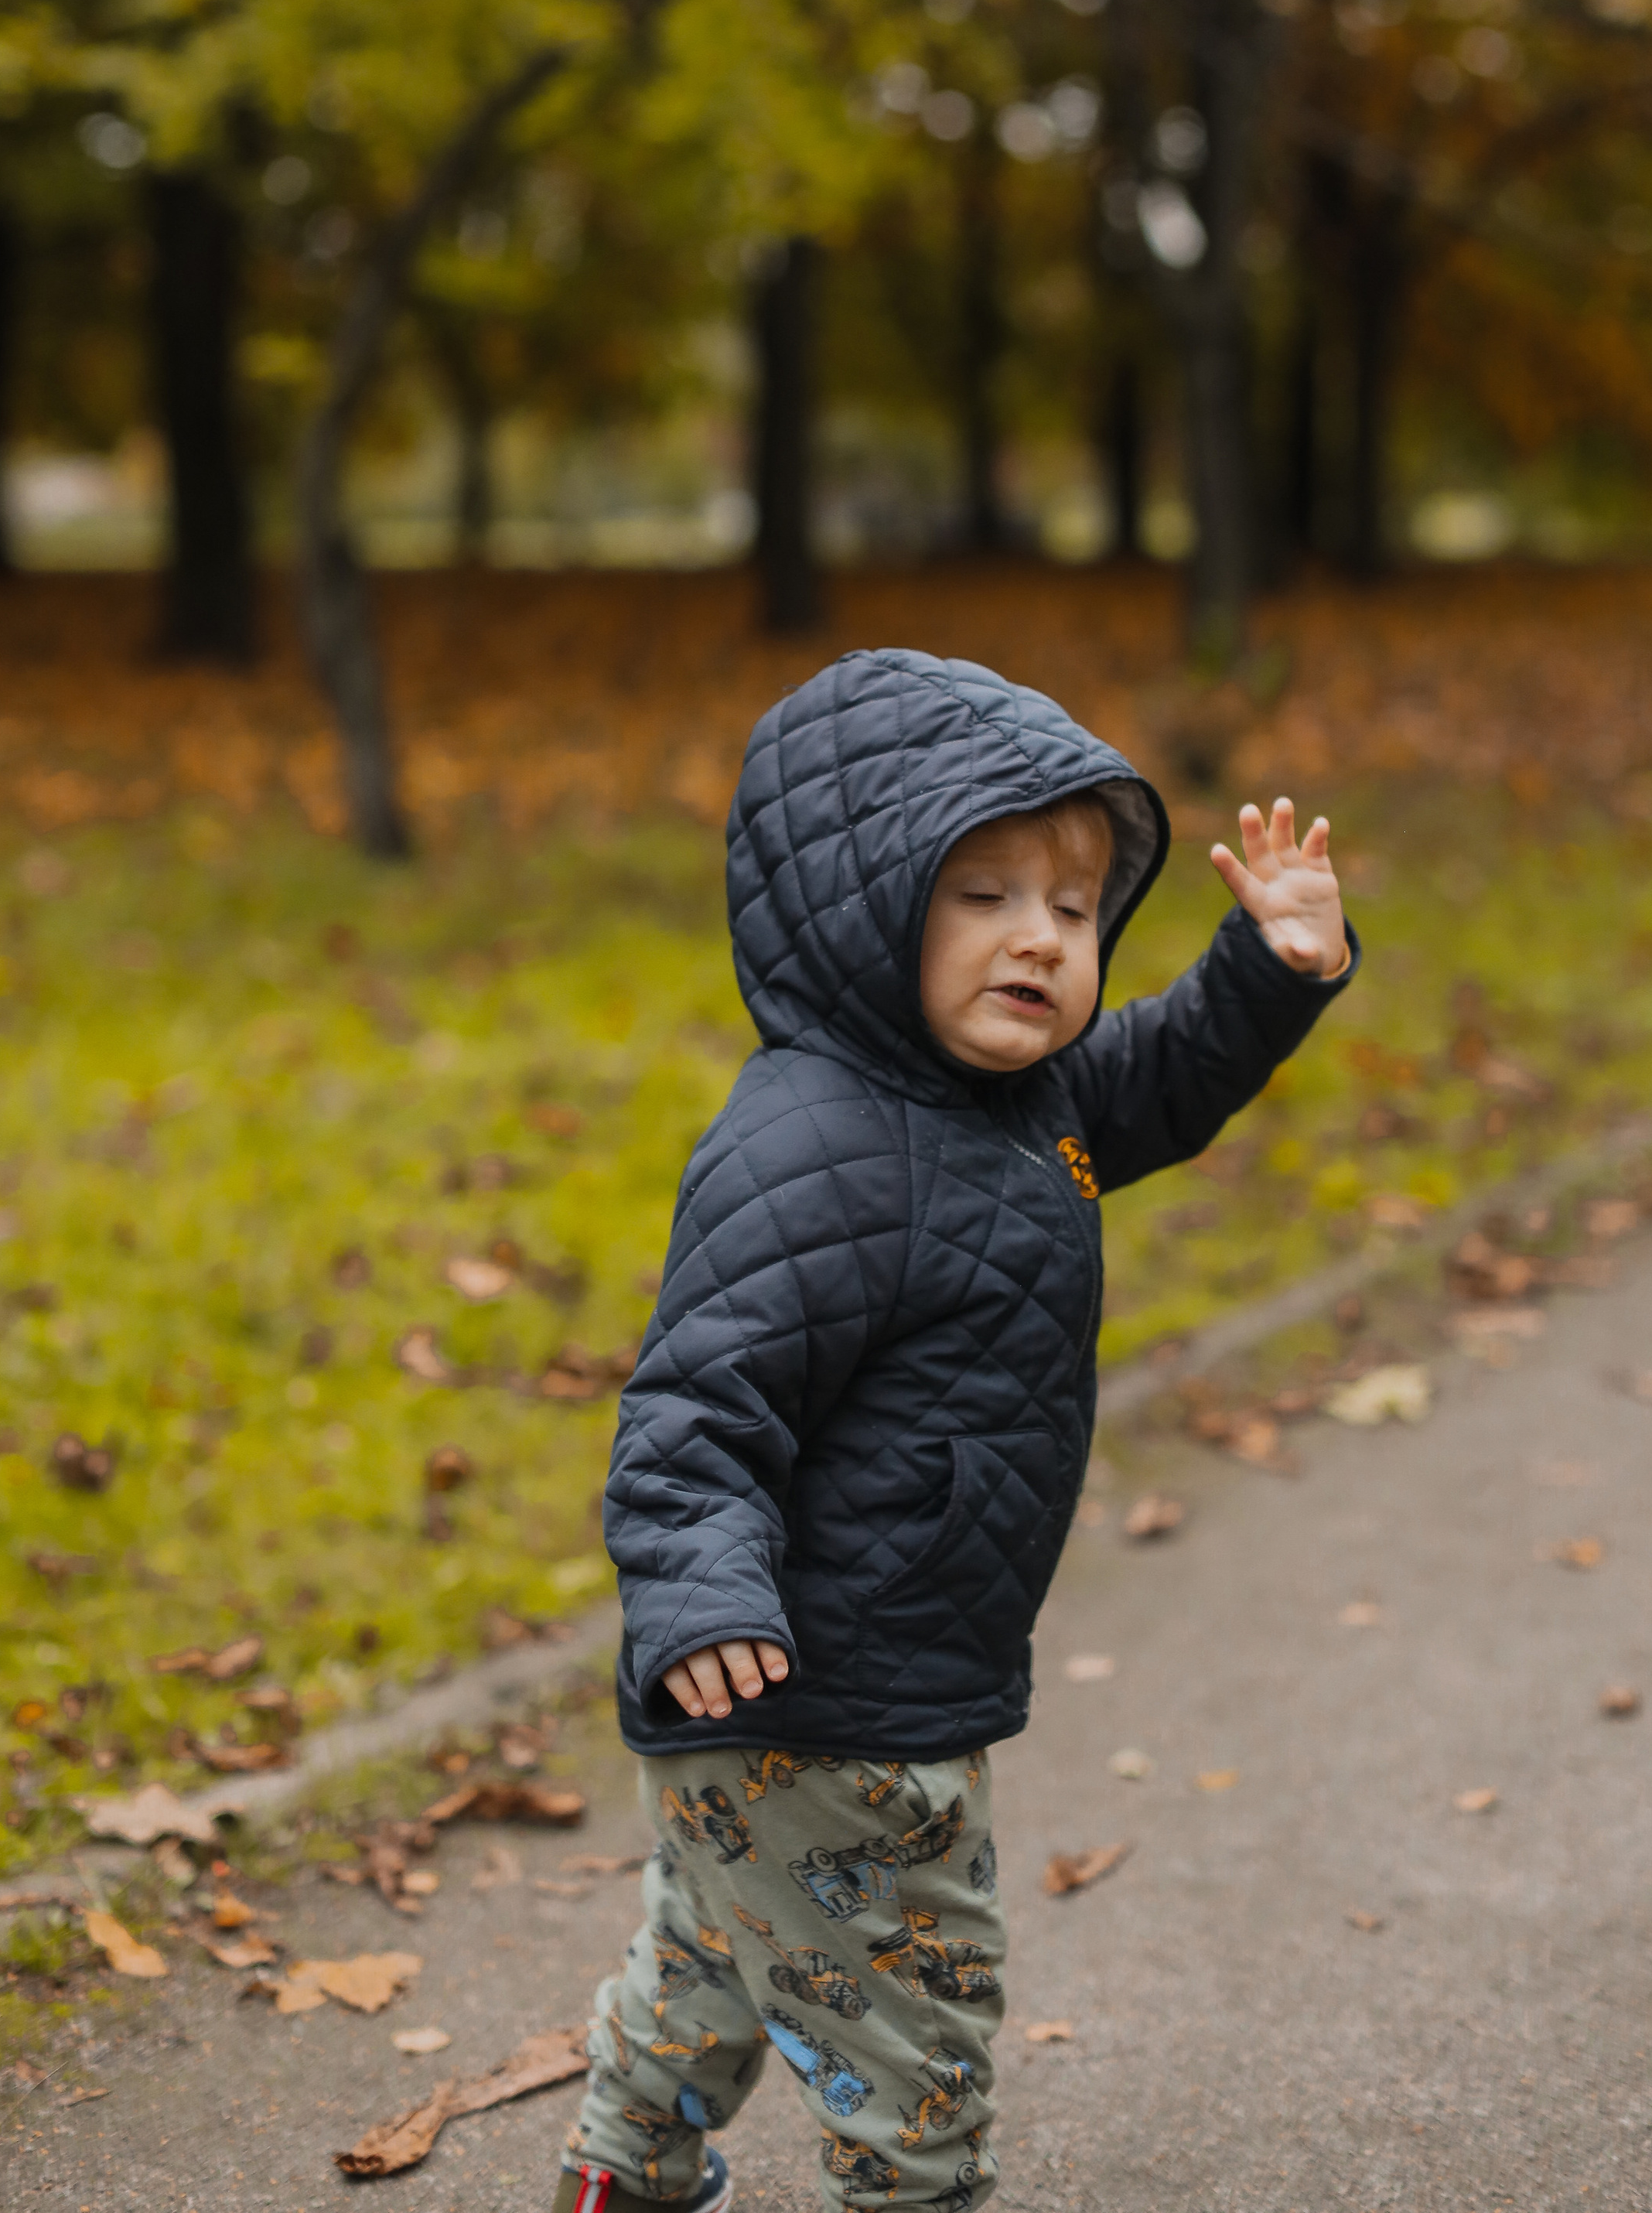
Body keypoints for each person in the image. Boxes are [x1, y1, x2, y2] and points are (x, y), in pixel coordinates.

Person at [555, 647, 1354, 2213]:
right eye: (981, 894)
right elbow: (694, 1404)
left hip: (870, 1664)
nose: (1039, 939)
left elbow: (1160, 1078)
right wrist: (702, 1594)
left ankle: (621, 2175)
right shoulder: (815, 1146)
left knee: (718, 1945)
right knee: (919, 2007)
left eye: (1067, 907)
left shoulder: (1020, 1103)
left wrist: (1268, 968)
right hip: (817, 1689)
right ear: (866, 904)